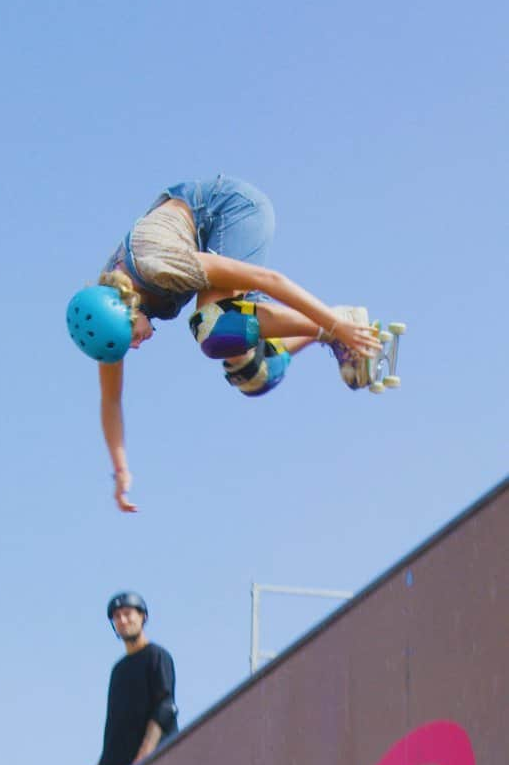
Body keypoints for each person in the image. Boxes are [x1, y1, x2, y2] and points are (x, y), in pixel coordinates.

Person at [67, 174, 382, 512]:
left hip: (231, 209)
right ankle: (331, 330)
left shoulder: (159, 266)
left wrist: (331, 323)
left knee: (213, 327)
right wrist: (121, 470)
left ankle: (341, 324)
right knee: (253, 373)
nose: (138, 346)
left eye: (132, 338)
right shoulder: (106, 309)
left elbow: (269, 280)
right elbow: (111, 400)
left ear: (128, 308)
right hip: (199, 239)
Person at [88, 591, 178, 765]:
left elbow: (164, 708)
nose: (122, 620)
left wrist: (144, 755)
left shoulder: (156, 656)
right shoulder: (118, 670)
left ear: (142, 617)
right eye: (117, 617)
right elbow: (116, 725)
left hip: (149, 763)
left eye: (128, 614)